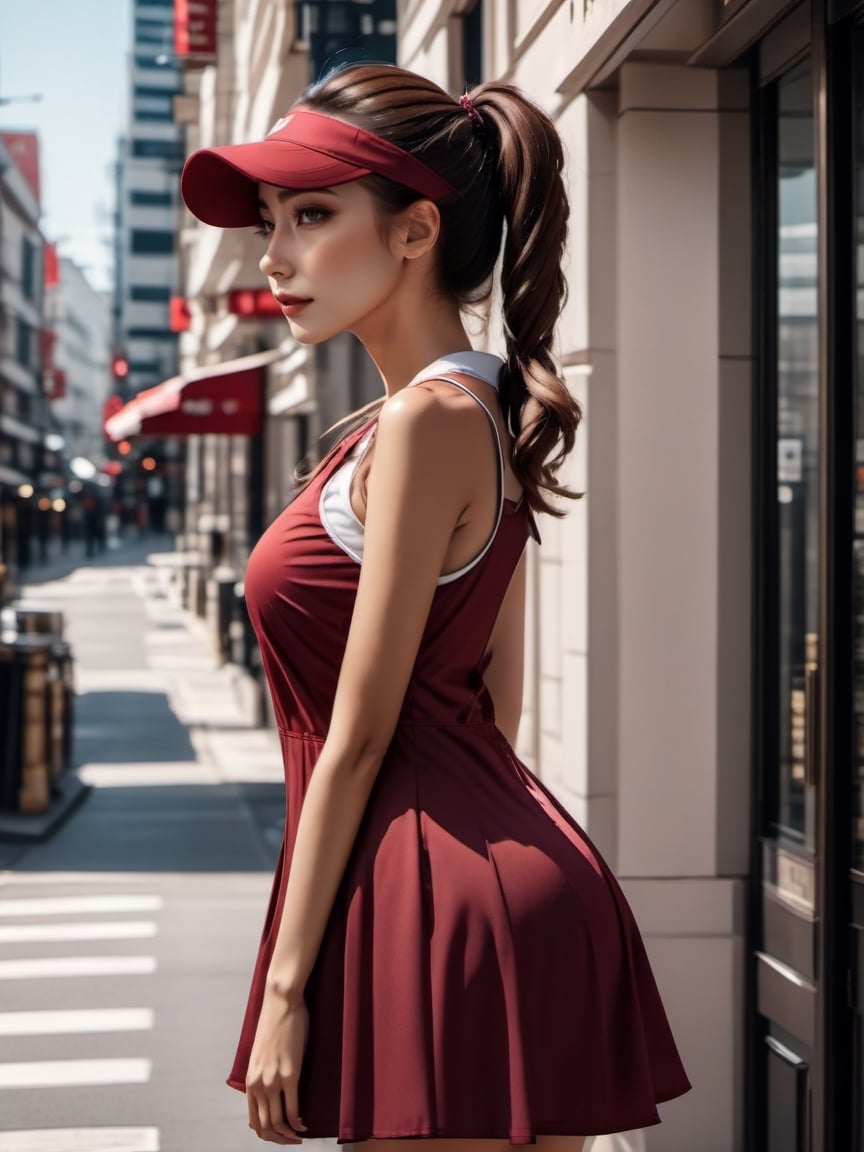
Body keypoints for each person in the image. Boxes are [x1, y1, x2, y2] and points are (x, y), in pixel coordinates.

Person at [181, 63, 691, 1150]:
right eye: (272, 221)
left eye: (312, 215)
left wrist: (284, 991)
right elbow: (488, 709)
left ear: (416, 232)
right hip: (483, 882)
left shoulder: (423, 425)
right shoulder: (463, 414)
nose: (277, 256)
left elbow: (360, 741)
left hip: (438, 897)